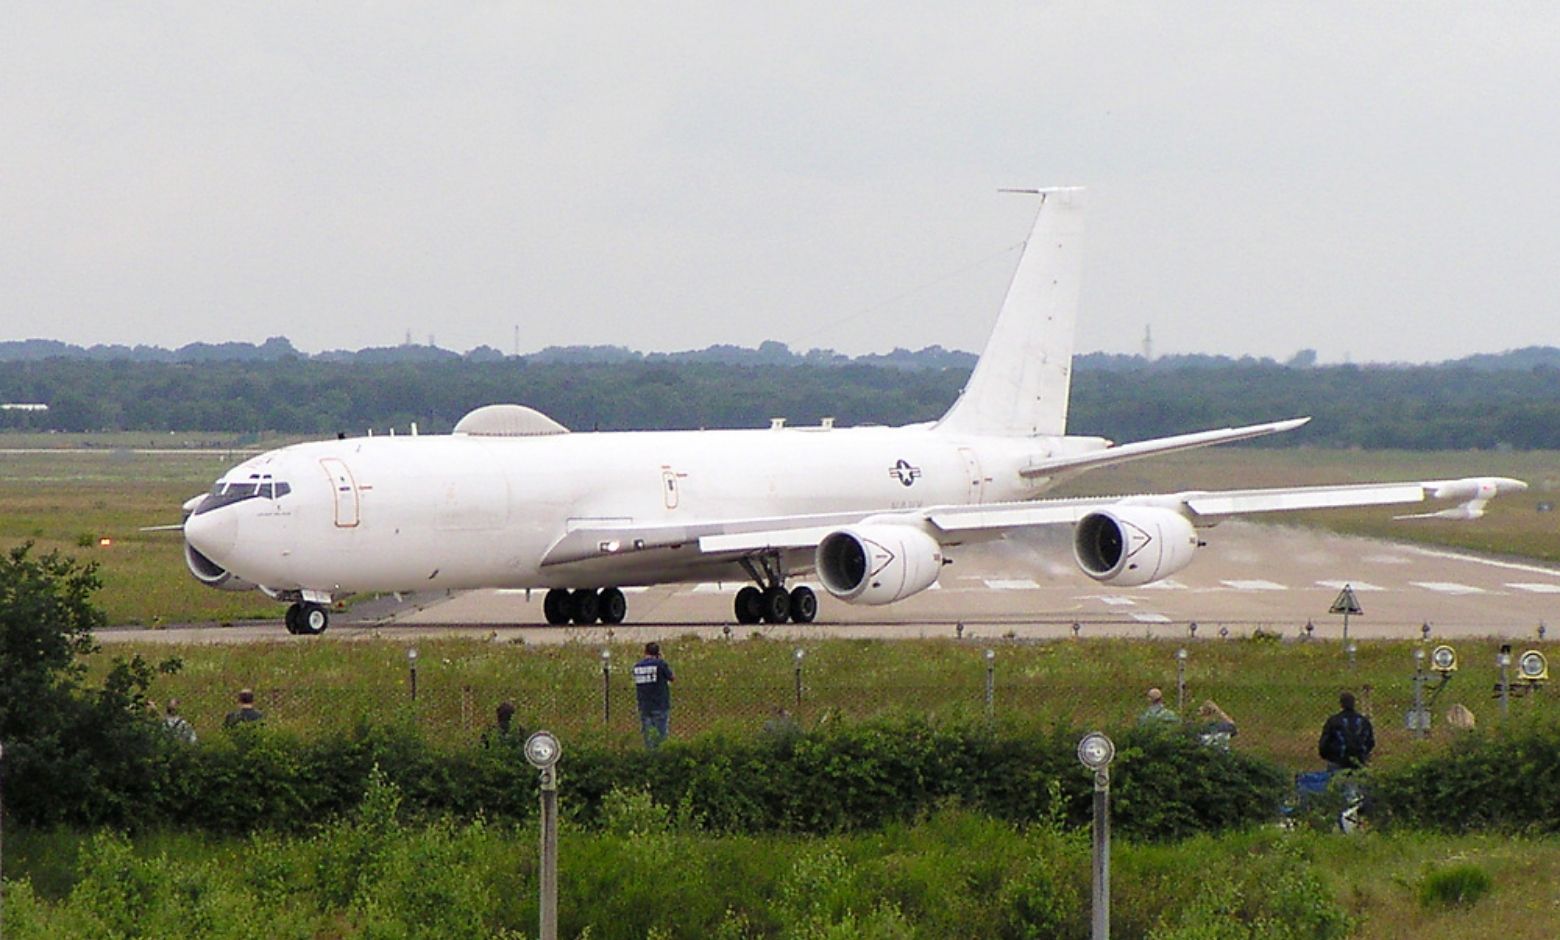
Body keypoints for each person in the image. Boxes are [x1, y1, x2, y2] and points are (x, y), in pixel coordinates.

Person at [632, 641, 675, 749]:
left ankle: (650, 760)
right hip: (659, 705)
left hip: (644, 706)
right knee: (661, 737)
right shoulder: (660, 664)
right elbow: (672, 677)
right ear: (658, 652)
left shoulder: (637, 666)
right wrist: (661, 659)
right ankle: (660, 760)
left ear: (645, 652)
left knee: (648, 738)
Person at [1318, 691, 1375, 771]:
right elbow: (1370, 742)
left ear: (1341, 704)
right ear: (1354, 703)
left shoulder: (1333, 721)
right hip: (1359, 761)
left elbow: (1323, 744)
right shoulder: (1364, 721)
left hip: (1338, 761)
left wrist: (1330, 757)